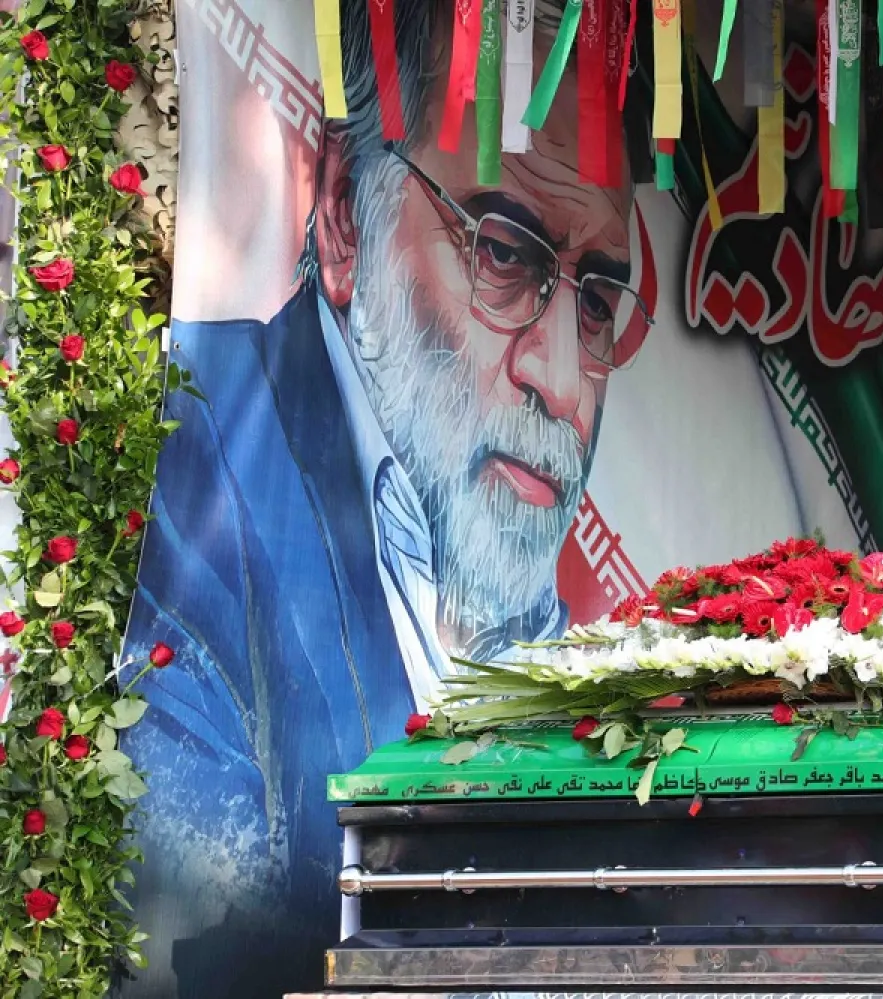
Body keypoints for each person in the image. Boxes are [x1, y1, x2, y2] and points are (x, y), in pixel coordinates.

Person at [119, 1, 651, 994]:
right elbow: (188, 924)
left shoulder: (557, 620)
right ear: (339, 219)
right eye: (502, 253)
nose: (564, 380)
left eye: (596, 299)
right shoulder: (192, 475)